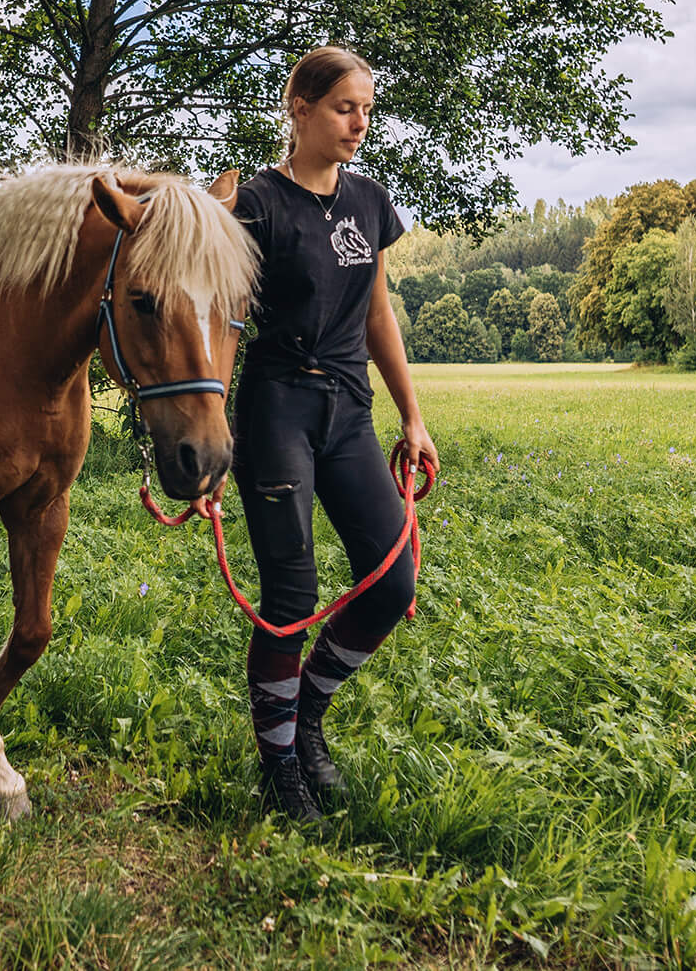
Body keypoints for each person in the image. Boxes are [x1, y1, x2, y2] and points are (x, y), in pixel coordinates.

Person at [229, 45, 439, 821]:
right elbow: (229, 318)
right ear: (302, 107)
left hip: (350, 409)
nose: (360, 123)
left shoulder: (369, 200)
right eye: (346, 108)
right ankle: (278, 760)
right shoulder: (256, 204)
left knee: (392, 579)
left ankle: (306, 715)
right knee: (291, 593)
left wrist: (411, 415)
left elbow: (378, 310)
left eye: (367, 110)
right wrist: (215, 420)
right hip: (277, 405)